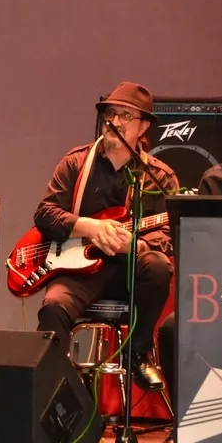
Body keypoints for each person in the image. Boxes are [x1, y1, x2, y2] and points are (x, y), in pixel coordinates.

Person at [33, 82, 180, 393]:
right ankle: (58, 393)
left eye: (126, 115)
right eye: (111, 113)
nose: (114, 121)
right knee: (54, 306)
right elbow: (45, 214)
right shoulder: (76, 162)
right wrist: (89, 227)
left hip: (129, 273)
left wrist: (136, 244)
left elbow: (169, 235)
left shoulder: (159, 176)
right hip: (79, 271)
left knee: (157, 265)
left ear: (143, 127)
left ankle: (138, 352)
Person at [155, 160, 222, 443]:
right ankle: (185, 426)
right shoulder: (217, 180)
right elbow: (203, 254)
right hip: (221, 293)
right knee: (173, 327)